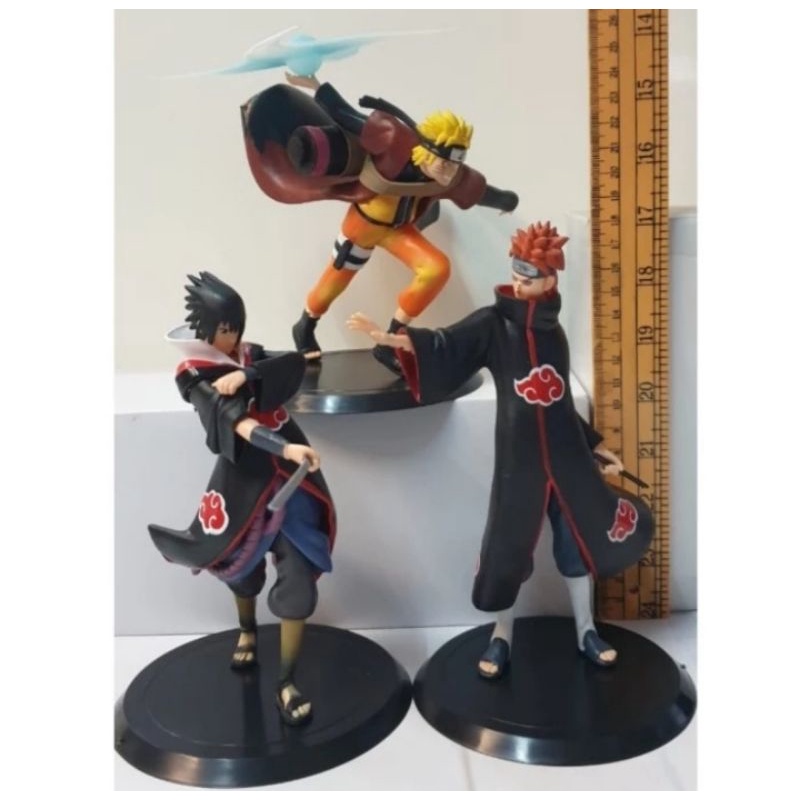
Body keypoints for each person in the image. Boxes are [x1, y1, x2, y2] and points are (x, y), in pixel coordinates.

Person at [347, 222, 653, 678]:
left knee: (575, 545)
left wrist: (594, 446)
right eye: (516, 273)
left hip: (567, 460)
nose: (519, 284)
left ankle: (586, 630)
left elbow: (559, 402)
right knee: (508, 549)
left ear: (551, 280)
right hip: (520, 461)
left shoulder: (554, 334)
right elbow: (447, 343)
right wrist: (394, 338)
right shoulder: (494, 324)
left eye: (529, 277)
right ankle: (501, 634)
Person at [148, 272, 336, 724]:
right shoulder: (194, 374)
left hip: (290, 482)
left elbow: (291, 365)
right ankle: (247, 631)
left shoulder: (247, 355)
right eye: (225, 329)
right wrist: (284, 448)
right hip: (245, 480)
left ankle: (286, 681)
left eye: (236, 326)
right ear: (206, 331)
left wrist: (248, 374)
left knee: (298, 578)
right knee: (241, 565)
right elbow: (238, 424)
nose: (233, 338)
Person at [241, 74, 518, 372]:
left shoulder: (450, 175)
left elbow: (480, 192)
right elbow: (347, 116)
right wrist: (317, 86)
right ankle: (306, 323)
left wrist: (507, 202)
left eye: (455, 165)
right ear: (426, 151)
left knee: (437, 268)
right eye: (444, 164)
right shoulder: (393, 142)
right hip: (363, 226)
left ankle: (391, 339)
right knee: (334, 282)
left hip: (399, 231)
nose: (449, 173)